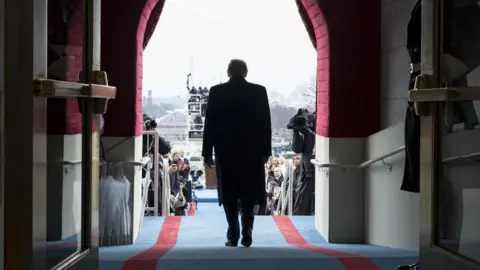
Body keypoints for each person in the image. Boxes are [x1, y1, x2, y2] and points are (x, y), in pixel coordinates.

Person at [202, 59, 272, 248]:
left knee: (229, 192)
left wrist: (207, 152)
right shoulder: (259, 91)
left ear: (228, 72)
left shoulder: (217, 92)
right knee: (249, 192)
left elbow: (210, 124)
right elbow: (266, 124)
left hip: (226, 151)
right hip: (252, 151)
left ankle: (232, 232)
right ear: (246, 72)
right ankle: (247, 230)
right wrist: (266, 151)